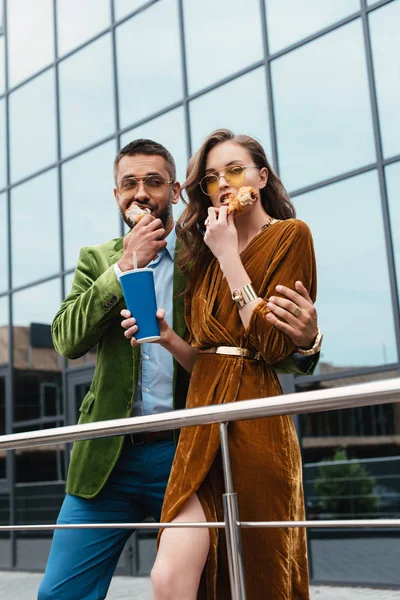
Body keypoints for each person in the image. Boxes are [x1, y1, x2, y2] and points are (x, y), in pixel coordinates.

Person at [38, 138, 321, 600]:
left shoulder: (204, 255)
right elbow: (66, 340)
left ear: (174, 192)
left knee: (205, 584)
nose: (141, 193)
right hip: (108, 459)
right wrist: (124, 264)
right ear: (116, 196)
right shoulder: (97, 260)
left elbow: (251, 351)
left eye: (153, 181)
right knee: (58, 594)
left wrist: (309, 343)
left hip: (188, 451)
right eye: (129, 184)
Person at [122, 130, 318, 599]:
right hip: (199, 426)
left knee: (256, 572)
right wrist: (170, 340)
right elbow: (209, 357)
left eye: (235, 170)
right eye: (211, 178)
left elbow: (270, 344)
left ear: (262, 176)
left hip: (256, 424)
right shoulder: (206, 254)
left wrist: (231, 255)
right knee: (168, 575)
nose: (223, 184)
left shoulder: (291, 235)